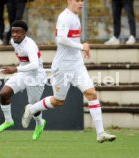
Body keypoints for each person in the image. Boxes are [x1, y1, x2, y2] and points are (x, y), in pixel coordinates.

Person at [22, 0, 116, 143]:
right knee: (58, 101)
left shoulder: (75, 16)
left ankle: (100, 133)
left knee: (91, 93)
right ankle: (32, 109)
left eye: (82, 0)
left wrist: (82, 49)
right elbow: (61, 39)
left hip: (77, 65)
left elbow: (73, 40)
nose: (81, 3)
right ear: (69, 1)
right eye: (77, 0)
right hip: (62, 67)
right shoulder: (64, 17)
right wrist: (81, 46)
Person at [0, 20, 47, 140]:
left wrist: (16, 69)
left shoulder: (30, 45)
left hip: (36, 77)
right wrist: (19, 69)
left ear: (25, 33)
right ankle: (8, 121)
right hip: (23, 73)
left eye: (18, 32)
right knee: (4, 93)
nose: (15, 34)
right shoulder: (13, 42)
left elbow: (35, 65)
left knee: (34, 107)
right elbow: (24, 61)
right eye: (13, 31)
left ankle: (40, 124)